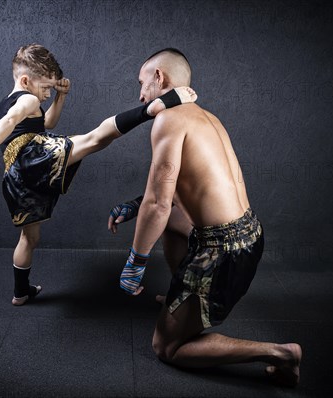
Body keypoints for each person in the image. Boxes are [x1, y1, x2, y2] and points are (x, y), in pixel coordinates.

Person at [107, 48, 302, 387]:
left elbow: (159, 203)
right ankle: (179, 297)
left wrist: (134, 264)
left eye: (142, 83)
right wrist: (136, 204)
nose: (140, 95)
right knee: (168, 218)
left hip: (223, 253)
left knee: (166, 347)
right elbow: (187, 187)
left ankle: (280, 353)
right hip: (246, 235)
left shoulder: (169, 120)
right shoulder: (205, 117)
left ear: (160, 78)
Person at [0, 43, 197, 306]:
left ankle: (20, 292)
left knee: (29, 237)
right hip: (31, 158)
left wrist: (60, 97)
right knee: (94, 139)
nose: (44, 96)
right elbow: (8, 123)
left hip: (16, 179)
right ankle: (151, 109)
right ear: (25, 80)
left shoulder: (11, 102)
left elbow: (46, 124)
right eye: (45, 89)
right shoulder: (27, 98)